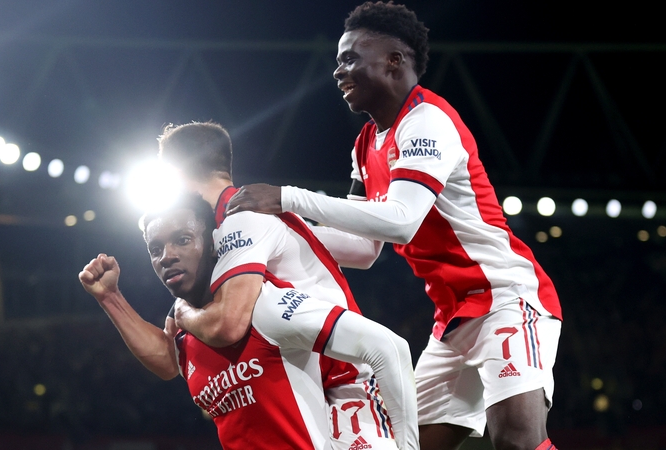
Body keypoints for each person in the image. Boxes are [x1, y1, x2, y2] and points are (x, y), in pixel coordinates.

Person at [225, 2, 562, 450]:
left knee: (517, 442)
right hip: (453, 320)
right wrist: (277, 231)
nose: (337, 71)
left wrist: (288, 197)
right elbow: (363, 249)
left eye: (350, 58)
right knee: (409, 444)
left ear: (394, 61)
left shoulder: (428, 121)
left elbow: (401, 222)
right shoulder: (365, 144)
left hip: (506, 297)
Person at [78, 192, 417, 449]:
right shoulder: (188, 334)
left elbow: (390, 348)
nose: (167, 256)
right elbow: (166, 362)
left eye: (182, 240)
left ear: (213, 245)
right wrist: (110, 297)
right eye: (155, 249)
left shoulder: (264, 304)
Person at [158, 122, 418, 449]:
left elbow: (229, 324)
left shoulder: (239, 219)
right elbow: (362, 249)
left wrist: (182, 311)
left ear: (174, 173)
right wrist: (362, 169)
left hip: (343, 384)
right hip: (315, 385)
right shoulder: (259, 213)